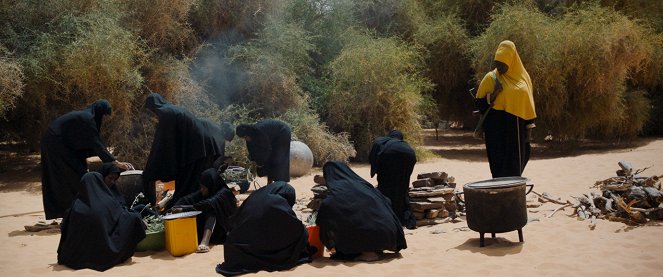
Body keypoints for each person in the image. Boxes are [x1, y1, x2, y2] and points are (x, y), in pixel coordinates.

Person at [41, 99, 130, 220]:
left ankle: (73, 213)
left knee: (78, 174)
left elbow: (90, 145)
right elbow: (97, 146)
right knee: (73, 177)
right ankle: (74, 213)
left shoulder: (87, 118)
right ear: (99, 111)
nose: (103, 118)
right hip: (56, 143)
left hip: (64, 145)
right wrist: (116, 163)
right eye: (103, 114)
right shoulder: (87, 119)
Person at [142, 93, 235, 207]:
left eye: (151, 110)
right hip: (198, 150)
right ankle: (189, 205)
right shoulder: (174, 109)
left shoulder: (167, 113)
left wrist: (152, 166)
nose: (153, 114)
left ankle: (185, 207)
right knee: (190, 182)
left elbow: (163, 141)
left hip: (196, 150)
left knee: (187, 183)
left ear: (153, 106)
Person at [316, 161, 407, 262]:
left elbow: (325, 215)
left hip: (374, 234)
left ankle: (368, 253)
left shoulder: (337, 194)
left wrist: (330, 242)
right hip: (391, 235)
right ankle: (374, 248)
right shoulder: (363, 185)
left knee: (328, 214)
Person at [216, 181, 312, 276]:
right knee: (301, 231)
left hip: (233, 251)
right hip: (252, 250)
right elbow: (294, 227)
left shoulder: (255, 196)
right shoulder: (276, 202)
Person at [57, 172, 146, 272]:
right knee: (133, 218)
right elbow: (122, 217)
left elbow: (65, 230)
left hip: (74, 257)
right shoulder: (107, 202)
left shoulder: (75, 207)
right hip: (102, 255)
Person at [475, 40, 536, 178]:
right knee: (498, 162)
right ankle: (500, 192)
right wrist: (495, 93)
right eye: (497, 64)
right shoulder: (491, 78)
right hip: (496, 130)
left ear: (511, 62)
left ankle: (513, 191)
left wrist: (529, 130)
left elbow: (528, 105)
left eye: (503, 65)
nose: (500, 68)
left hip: (517, 129)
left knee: (519, 160)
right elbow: (479, 103)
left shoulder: (523, 78)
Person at [172, 168, 238, 253]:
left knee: (212, 209)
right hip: (212, 229)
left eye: (204, 188)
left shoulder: (224, 193)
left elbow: (208, 204)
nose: (202, 190)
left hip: (224, 230)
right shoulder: (208, 191)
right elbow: (189, 198)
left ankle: (205, 242)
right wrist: (177, 205)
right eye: (201, 187)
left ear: (211, 185)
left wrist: (183, 209)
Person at [369, 130, 417, 229]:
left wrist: (378, 171)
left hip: (388, 154)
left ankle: (387, 216)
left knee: (385, 186)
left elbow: (374, 157)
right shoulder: (404, 144)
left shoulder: (383, 142)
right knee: (402, 187)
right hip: (410, 155)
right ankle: (402, 218)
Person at [235, 119, 291, 184]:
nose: (245, 139)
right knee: (270, 159)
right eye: (243, 138)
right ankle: (270, 183)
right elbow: (251, 149)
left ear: (248, 133)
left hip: (283, 132)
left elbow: (266, 149)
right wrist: (253, 159)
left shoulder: (259, 132)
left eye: (245, 137)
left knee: (279, 157)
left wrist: (260, 162)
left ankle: (281, 184)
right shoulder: (251, 134)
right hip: (273, 136)